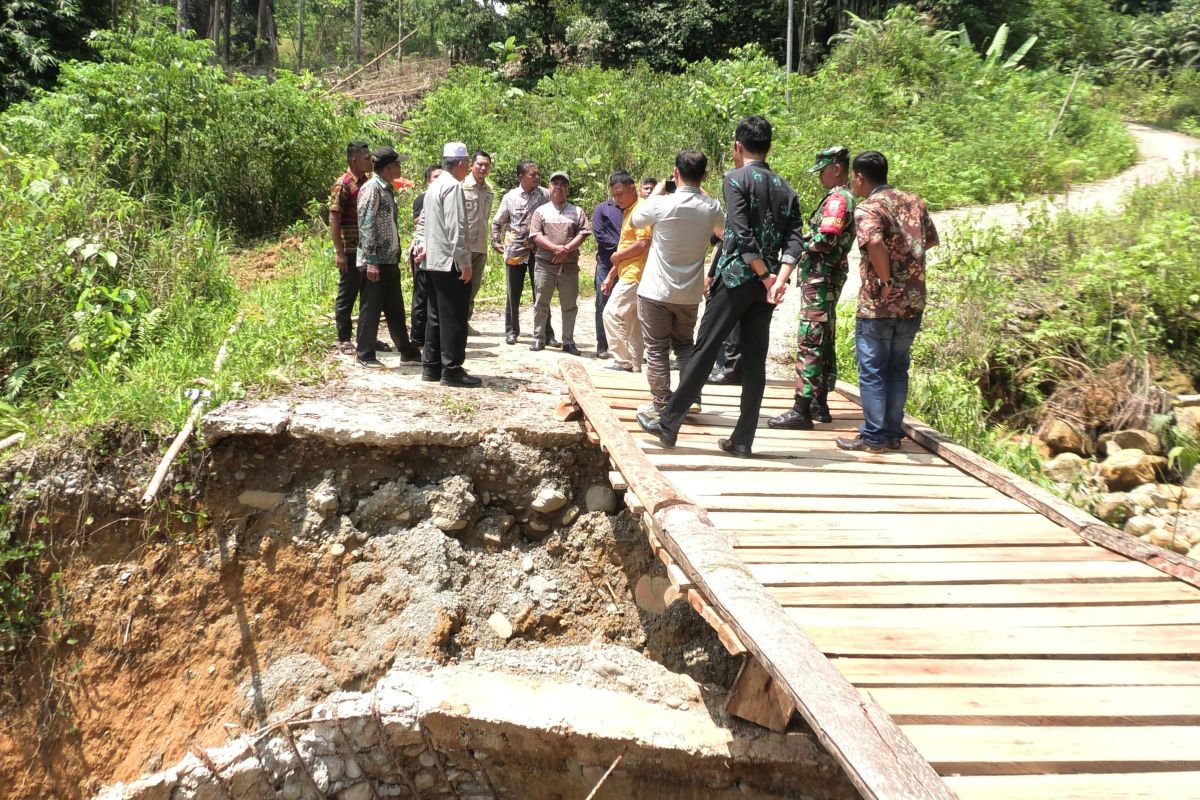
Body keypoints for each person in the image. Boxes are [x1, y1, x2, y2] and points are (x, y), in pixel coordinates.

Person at [638, 115, 803, 458]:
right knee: (756, 360)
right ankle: (742, 439)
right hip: (767, 286)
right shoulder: (786, 188)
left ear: (738, 148)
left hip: (738, 278)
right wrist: (777, 279)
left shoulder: (736, 179)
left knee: (706, 347)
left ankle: (668, 424)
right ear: (769, 147)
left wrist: (760, 274)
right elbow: (794, 240)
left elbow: (739, 234)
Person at [835, 150, 938, 454]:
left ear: (859, 177)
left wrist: (886, 279)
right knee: (897, 367)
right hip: (912, 300)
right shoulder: (914, 202)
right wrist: (906, 266)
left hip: (879, 305)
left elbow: (875, 241)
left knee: (873, 369)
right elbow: (929, 239)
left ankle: (874, 437)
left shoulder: (869, 207)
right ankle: (893, 434)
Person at [768, 145, 857, 430]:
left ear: (837, 168)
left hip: (821, 279)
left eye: (823, 171)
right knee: (823, 340)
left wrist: (798, 246)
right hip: (826, 280)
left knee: (810, 340)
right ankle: (819, 403)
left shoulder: (838, 199)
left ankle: (801, 409)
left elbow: (826, 239)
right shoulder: (842, 197)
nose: (820, 177)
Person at [633, 149, 724, 416]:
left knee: (658, 348)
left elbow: (638, 219)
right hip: (689, 293)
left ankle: (661, 402)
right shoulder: (712, 208)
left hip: (656, 291)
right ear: (705, 175)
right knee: (685, 345)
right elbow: (723, 230)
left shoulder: (662, 204)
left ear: (675, 173)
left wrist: (658, 191)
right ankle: (691, 398)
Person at [354, 146, 422, 368]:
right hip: (375, 261)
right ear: (389, 167)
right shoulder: (371, 189)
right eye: (398, 164)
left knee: (395, 308)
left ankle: (407, 351)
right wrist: (371, 261)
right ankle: (365, 353)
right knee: (370, 308)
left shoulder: (386, 189)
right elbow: (366, 225)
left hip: (388, 259)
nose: (401, 168)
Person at [422, 141, 481, 388]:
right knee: (454, 317)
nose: (467, 168)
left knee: (435, 316)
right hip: (449, 262)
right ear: (460, 164)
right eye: (467, 164)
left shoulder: (434, 187)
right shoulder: (453, 187)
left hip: (433, 261)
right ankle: (452, 369)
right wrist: (465, 262)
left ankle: (432, 366)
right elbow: (456, 228)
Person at [330, 141, 389, 356]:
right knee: (348, 293)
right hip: (350, 249)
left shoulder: (369, 183)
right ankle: (344, 338)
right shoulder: (343, 184)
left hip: (367, 250)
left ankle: (367, 338)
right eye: (366, 158)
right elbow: (334, 217)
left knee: (369, 294)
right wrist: (339, 251)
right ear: (354, 160)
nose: (370, 161)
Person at [491, 161, 555, 347]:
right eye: (532, 174)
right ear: (521, 177)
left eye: (537, 174)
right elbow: (497, 222)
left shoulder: (545, 194)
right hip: (515, 249)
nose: (536, 177)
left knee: (542, 291)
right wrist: (496, 241)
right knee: (513, 292)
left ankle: (546, 333)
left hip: (539, 249)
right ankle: (511, 331)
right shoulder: (510, 197)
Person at [527, 171, 590, 354]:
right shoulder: (541, 211)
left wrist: (566, 249)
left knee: (569, 305)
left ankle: (568, 341)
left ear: (568, 189)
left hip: (569, 266)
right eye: (555, 184)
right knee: (541, 303)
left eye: (563, 184)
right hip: (545, 265)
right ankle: (539, 338)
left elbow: (583, 233)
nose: (559, 187)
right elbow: (535, 235)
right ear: (549, 187)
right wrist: (556, 249)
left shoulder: (577, 211)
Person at [600, 172, 653, 372]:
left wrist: (619, 255)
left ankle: (622, 361)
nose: (616, 199)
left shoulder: (641, 210)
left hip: (635, 274)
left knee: (611, 313)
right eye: (614, 195)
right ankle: (635, 365)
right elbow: (627, 249)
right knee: (632, 321)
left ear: (633, 188)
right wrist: (611, 274)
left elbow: (643, 243)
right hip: (629, 271)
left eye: (620, 194)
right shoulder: (629, 210)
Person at [409, 163, 443, 352]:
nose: (439, 180)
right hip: (422, 252)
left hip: (434, 254)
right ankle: (417, 337)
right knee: (421, 296)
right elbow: (418, 223)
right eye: (435, 177)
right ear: (428, 180)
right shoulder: (424, 198)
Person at [462, 150, 494, 332]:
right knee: (459, 287)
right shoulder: (461, 185)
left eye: (486, 165)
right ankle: (456, 322)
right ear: (471, 165)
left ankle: (465, 322)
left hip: (480, 246)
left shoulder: (489, 190)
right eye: (479, 164)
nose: (483, 168)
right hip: (464, 246)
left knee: (474, 287)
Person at [591, 188, 624, 359]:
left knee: (627, 306)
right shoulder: (603, 208)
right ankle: (602, 343)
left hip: (629, 265)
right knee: (602, 303)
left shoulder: (632, 209)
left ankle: (621, 345)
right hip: (606, 263)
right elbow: (599, 234)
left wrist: (626, 252)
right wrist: (622, 248)